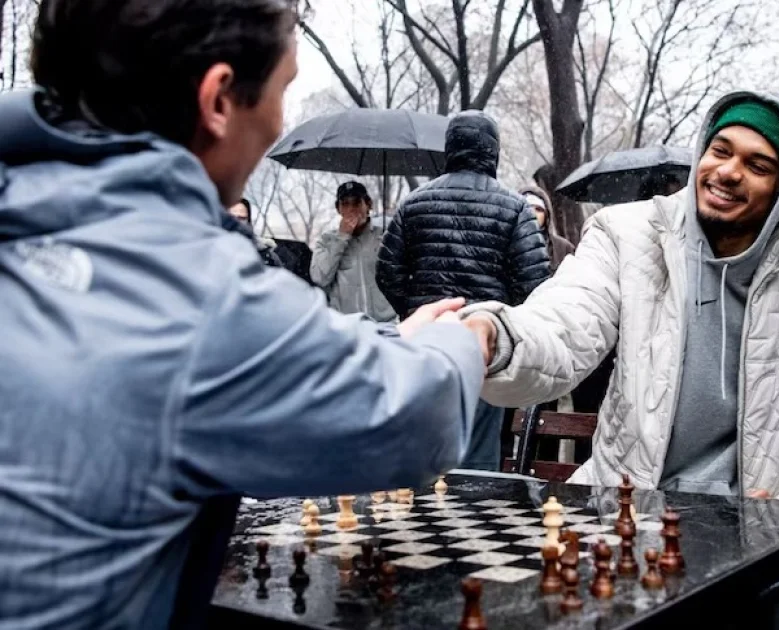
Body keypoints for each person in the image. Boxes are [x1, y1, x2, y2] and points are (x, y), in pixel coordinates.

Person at [0, 1, 485, 629]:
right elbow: (421, 413)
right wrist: (462, 339)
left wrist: (390, 337)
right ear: (220, 100)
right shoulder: (190, 287)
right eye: (283, 89)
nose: (280, 120)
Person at [459, 90, 779, 629]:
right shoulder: (626, 235)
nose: (727, 172)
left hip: (765, 529)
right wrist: (494, 335)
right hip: (625, 516)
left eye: (757, 164)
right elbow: (562, 322)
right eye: (720, 150)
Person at [376, 110, 551, 471]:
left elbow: (387, 271)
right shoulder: (515, 208)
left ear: (449, 148)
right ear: (493, 151)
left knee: (423, 450)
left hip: (426, 344)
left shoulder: (413, 203)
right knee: (480, 455)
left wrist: (416, 312)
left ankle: (422, 522)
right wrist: (500, 322)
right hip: (483, 350)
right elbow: (535, 282)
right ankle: (477, 517)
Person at [310, 181, 396, 322]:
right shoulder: (326, 241)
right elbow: (319, 278)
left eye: (356, 203)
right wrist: (341, 237)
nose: (351, 209)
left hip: (387, 324)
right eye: (345, 204)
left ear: (368, 205)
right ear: (338, 209)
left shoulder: (386, 236)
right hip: (347, 325)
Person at [519, 184, 575, 273]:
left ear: (547, 215)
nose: (533, 213)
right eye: (528, 208)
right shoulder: (507, 246)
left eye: (538, 209)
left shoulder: (563, 248)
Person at [227, 197, 284, 267]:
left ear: (248, 221)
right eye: (231, 217)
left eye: (242, 218)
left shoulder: (266, 256)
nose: (237, 222)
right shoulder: (212, 253)